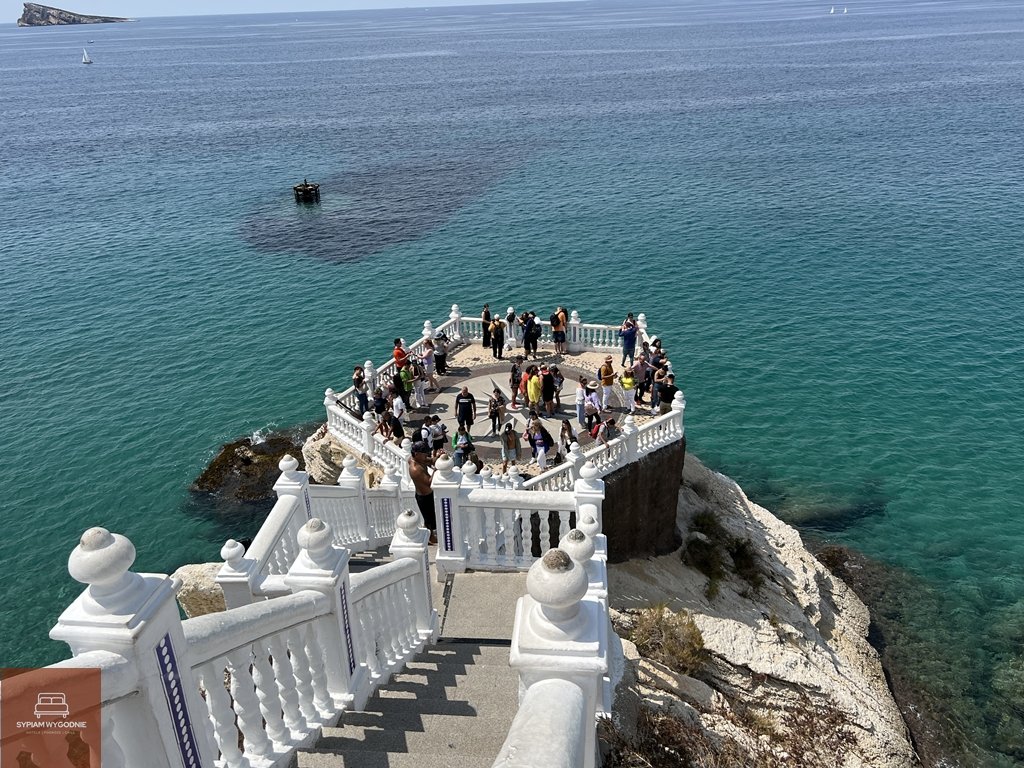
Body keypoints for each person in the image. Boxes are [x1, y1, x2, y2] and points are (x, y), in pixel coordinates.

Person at [408, 442, 437, 544]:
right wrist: (436, 470)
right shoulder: (415, 469)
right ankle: (430, 538)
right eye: (424, 453)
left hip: (425, 495)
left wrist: (437, 457)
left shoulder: (418, 459)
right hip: (425, 497)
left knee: (428, 518)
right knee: (430, 520)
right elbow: (430, 482)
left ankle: (430, 536)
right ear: (416, 454)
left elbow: (430, 461)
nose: (427, 455)